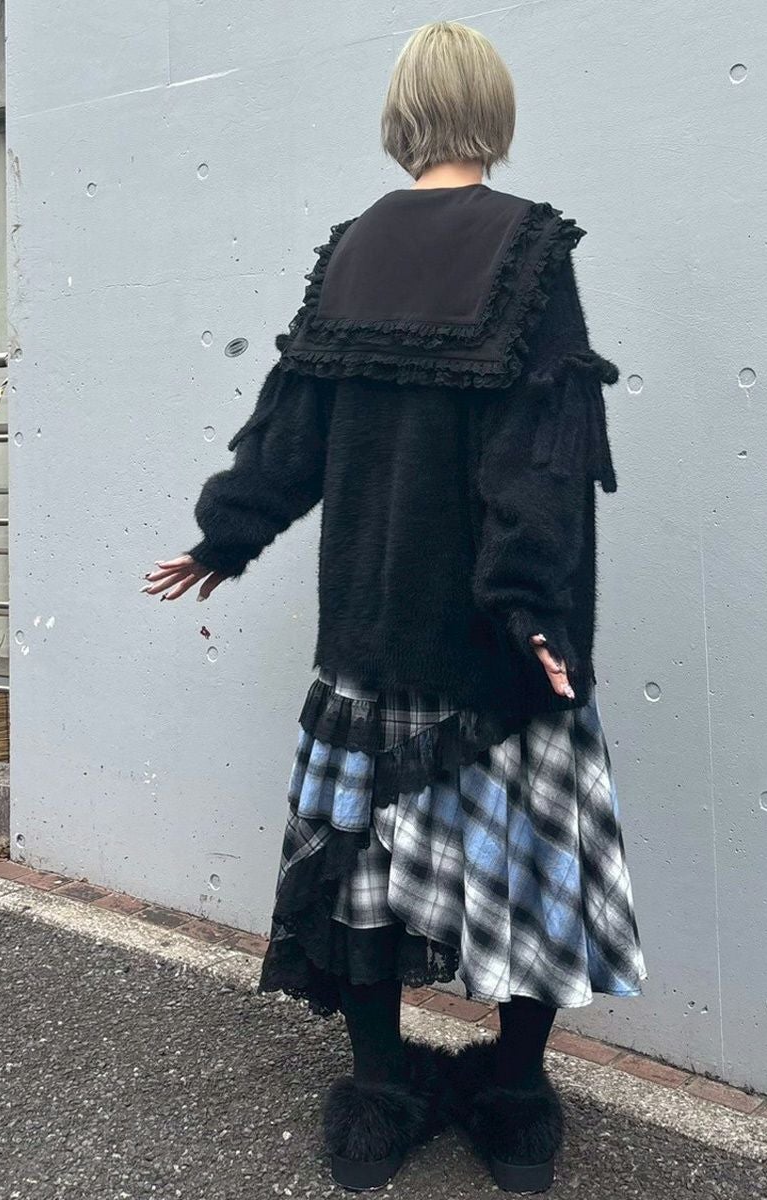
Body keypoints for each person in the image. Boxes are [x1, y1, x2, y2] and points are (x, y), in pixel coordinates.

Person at [143, 19, 647, 1195]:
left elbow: (289, 432)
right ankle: (511, 1099)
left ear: (400, 118)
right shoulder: (532, 248)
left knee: (362, 873)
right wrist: (530, 610)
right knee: (527, 873)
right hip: (495, 654)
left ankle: (379, 1094)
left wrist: (226, 535)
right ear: (493, 113)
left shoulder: (350, 251)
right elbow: (537, 455)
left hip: (367, 638)